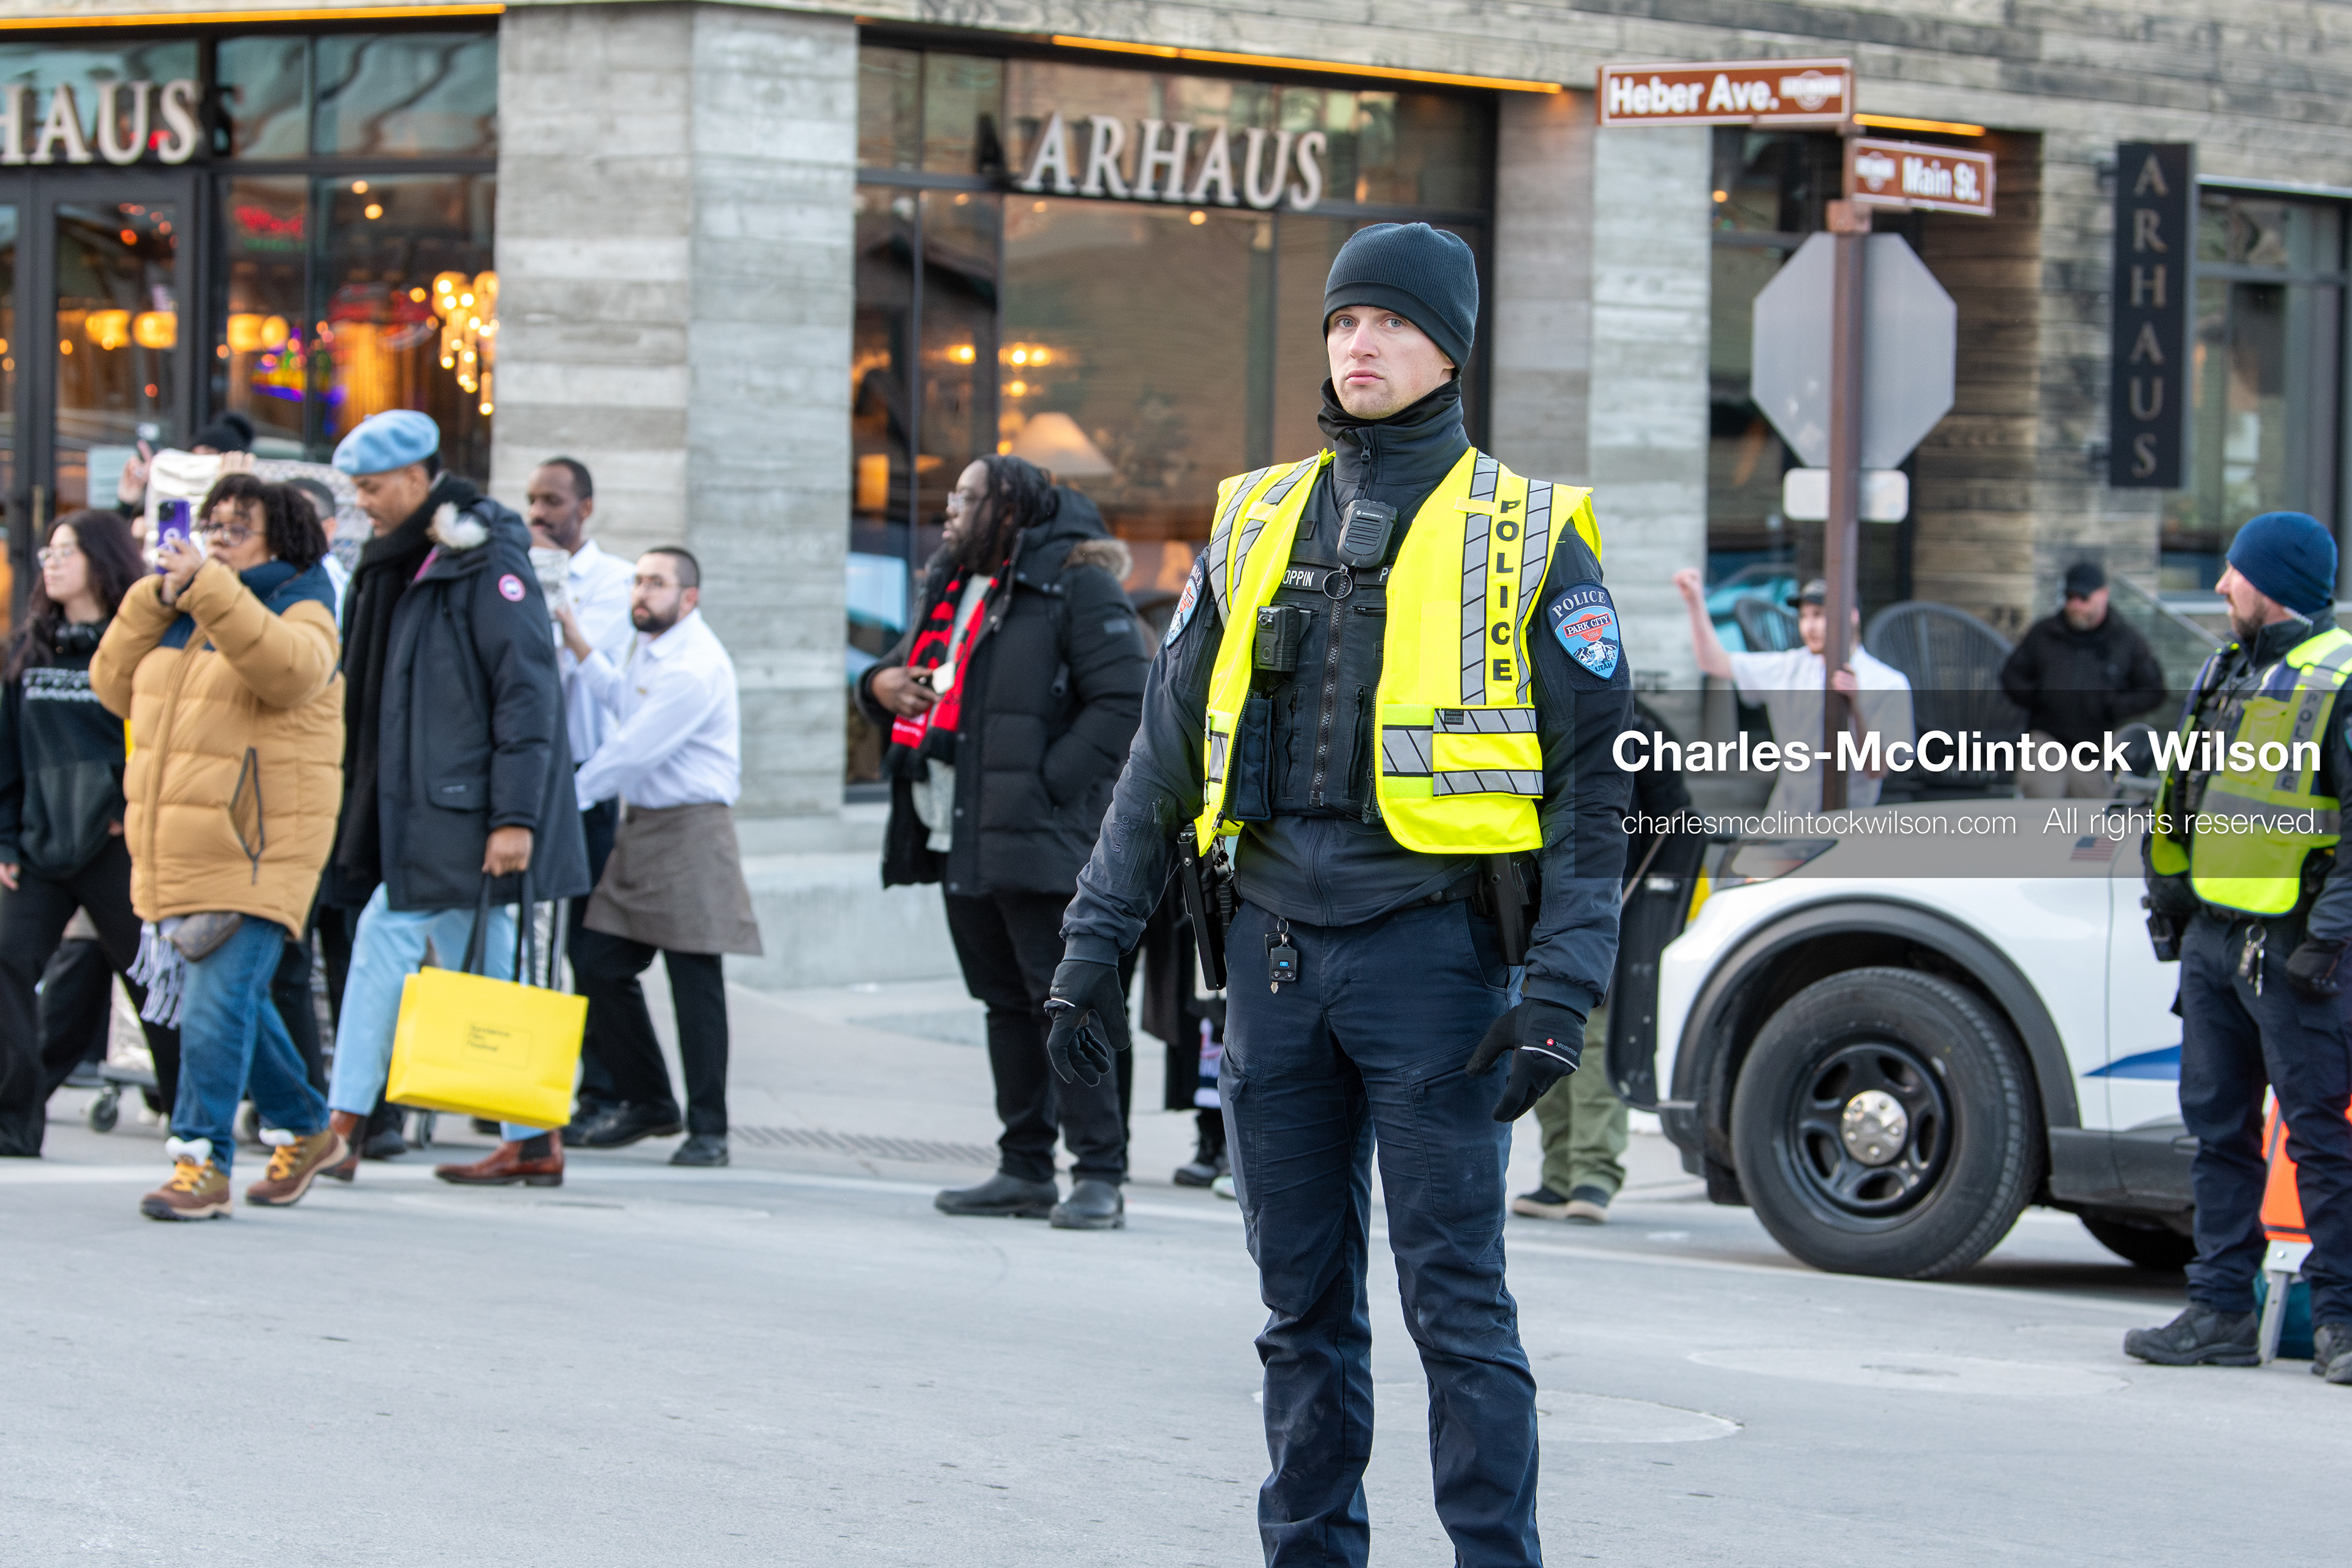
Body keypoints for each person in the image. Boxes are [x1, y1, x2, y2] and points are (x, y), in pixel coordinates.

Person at [1054, 222, 1633, 1564]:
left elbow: (1601, 793)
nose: (1359, 344)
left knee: (1459, 1306)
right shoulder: (1253, 514)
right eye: (1341, 321)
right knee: (1296, 1306)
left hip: (1436, 965)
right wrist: (1091, 948)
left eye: (1390, 321)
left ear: (1450, 346)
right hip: (1268, 961)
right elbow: (1161, 750)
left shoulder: (1530, 529)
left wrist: (1564, 985)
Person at [856, 454, 1145, 1230]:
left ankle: (1098, 1174)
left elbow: (1126, 697)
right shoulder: (950, 583)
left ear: (1009, 509)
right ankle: (1023, 1168)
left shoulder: (1074, 584)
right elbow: (915, 670)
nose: (950, 510)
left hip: (1043, 836)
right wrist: (878, 686)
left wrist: (1048, 785)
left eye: (967, 497)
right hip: (956, 828)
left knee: (1069, 1008)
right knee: (1003, 1006)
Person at [315, 410, 590, 1188]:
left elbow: (526, 695)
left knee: (380, 943)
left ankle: (341, 1129)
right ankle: (536, 1144)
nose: (362, 502)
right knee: (497, 967)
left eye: (370, 488)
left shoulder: (483, 558)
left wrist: (513, 817)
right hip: (435, 809)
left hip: (463, 816)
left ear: (414, 479)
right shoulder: (407, 557)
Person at [2130, 510, 2352, 1385]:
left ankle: (2340, 1322)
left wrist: (2327, 941)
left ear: (2274, 585)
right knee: (2218, 1136)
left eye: (2233, 572)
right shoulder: (2229, 668)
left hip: (2296, 952)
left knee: (2317, 1143)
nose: (2222, 586)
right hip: (2216, 944)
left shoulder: (2336, 680)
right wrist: (2170, 900)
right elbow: (2196, 800)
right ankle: (2220, 1309)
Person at [91, 474, 346, 1219]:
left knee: (215, 1001)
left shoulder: (301, 601)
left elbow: (290, 672)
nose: (218, 540)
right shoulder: (189, 605)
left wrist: (208, 588)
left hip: (260, 845)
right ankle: (305, 1126)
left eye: (238, 528)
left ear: (283, 539)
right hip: (184, 843)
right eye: (212, 526)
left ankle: (201, 1161)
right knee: (231, 1002)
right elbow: (114, 685)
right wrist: (152, 597)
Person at [554, 548, 761, 1166]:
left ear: (689, 597)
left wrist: (559, 800)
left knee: (695, 983)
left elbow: (631, 751)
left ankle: (709, 1130)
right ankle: (649, 1101)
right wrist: (581, 646)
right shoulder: (652, 647)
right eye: (638, 581)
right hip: (643, 830)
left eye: (657, 583)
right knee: (598, 965)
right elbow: (624, 702)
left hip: (692, 833)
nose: (641, 593)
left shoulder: (694, 666)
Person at [0, 511, 178, 1156]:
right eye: (47, 551)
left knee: (153, 982)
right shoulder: (28, 647)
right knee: (9, 965)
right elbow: (8, 753)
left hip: (113, 844)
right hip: (39, 848)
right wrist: (5, 839)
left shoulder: (135, 644)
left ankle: (193, 1122)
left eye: (66, 550)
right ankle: (13, 1124)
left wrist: (131, 816)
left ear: (99, 560)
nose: (50, 561)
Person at [1513, 701, 1697, 1226]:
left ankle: (1592, 1175)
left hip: (1606, 907)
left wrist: (1640, 904)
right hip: (1536, 902)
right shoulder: (1531, 708)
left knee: (1592, 1045)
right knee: (1538, 1037)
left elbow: (1681, 825)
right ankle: (1557, 1176)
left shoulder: (1640, 727)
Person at [525, 455, 636, 1127]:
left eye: (554, 502)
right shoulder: (516, 572)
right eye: (533, 501)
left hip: (586, 780)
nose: (540, 514)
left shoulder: (617, 582)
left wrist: (552, 600)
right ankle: (521, 1084)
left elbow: (575, 665)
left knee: (583, 946)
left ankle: (598, 1089)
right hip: (528, 776)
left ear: (585, 508)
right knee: (523, 939)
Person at [1673, 571, 1913, 813]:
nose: (1809, 626)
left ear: (1852, 616)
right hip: (1784, 821)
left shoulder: (1889, 682)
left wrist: (1856, 708)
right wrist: (1694, 601)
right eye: (1804, 616)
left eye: (1819, 615)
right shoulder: (1789, 667)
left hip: (1850, 825)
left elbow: (1877, 769)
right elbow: (1714, 663)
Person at [2000, 560, 2167, 799]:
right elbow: (2011, 676)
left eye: (2084, 598)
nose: (2075, 605)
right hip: (2048, 739)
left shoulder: (2125, 640)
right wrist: (2041, 696)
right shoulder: (2045, 633)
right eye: (2070, 597)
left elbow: (2154, 691)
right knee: (2042, 805)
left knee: (2095, 817)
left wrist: (2115, 706)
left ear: (2103, 595)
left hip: (2097, 748)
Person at [113, 410, 257, 517]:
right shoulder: (163, 503)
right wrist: (127, 504)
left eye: (209, 456)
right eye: (192, 455)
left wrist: (228, 490)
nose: (198, 458)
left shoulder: (239, 511)